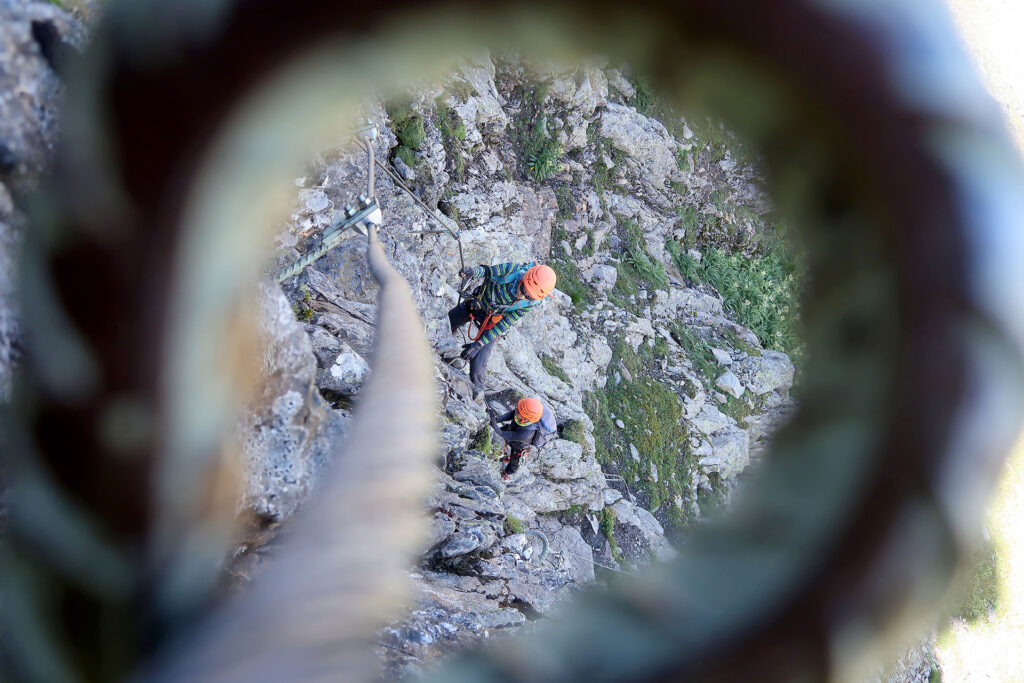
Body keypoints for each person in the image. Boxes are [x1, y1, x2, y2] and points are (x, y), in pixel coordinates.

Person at [448, 262, 557, 401]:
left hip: (492, 322)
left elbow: (505, 323)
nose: (523, 297)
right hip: (476, 304)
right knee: (449, 321)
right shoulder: (513, 270)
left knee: (480, 360)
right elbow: (489, 271)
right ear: (524, 279)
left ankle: (477, 390)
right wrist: (473, 272)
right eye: (524, 290)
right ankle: (440, 342)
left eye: (529, 297)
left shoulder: (529, 304)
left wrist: (478, 344)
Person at [489, 397, 555, 480]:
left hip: (520, 444)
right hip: (514, 430)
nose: (515, 409)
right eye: (517, 408)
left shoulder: (525, 434)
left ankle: (508, 473)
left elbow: (501, 434)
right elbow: (511, 414)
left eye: (517, 410)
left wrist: (493, 422)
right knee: (498, 436)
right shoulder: (522, 413)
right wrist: (496, 419)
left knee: (514, 461)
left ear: (525, 418)